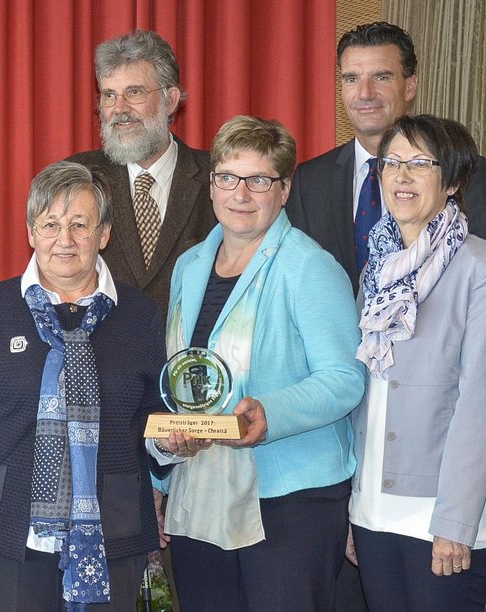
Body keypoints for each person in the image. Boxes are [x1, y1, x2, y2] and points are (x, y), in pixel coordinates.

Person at [0, 161, 164, 611]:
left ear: (105, 233)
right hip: (4, 534)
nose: (65, 239)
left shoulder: (139, 316)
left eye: (80, 224)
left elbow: (156, 418)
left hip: (111, 534)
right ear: (31, 233)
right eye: (50, 224)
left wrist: (173, 445)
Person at [156, 115, 365, 611]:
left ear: (285, 188)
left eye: (259, 180)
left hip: (290, 504)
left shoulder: (310, 267)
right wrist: (164, 458)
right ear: (211, 186)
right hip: (201, 493)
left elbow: (344, 379)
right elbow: (180, 377)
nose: (241, 194)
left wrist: (270, 412)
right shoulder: (189, 267)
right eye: (227, 177)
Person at [347, 115, 486, 611]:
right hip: (375, 506)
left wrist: (455, 523)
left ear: (455, 181)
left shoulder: (483, 268)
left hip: (441, 513)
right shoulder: (377, 266)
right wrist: (356, 506)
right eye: (392, 163)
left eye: (421, 164)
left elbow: (484, 403)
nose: (402, 176)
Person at [286, 22, 486, 287]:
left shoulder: (463, 170)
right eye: (352, 79)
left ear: (410, 87)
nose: (365, 93)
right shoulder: (309, 180)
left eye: (381, 77)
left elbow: (481, 278)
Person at [65, 29, 215, 316]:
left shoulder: (219, 178)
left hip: (190, 356)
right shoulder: (76, 176)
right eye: (109, 95)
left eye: (134, 92)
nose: (119, 109)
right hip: (101, 354)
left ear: (171, 100)